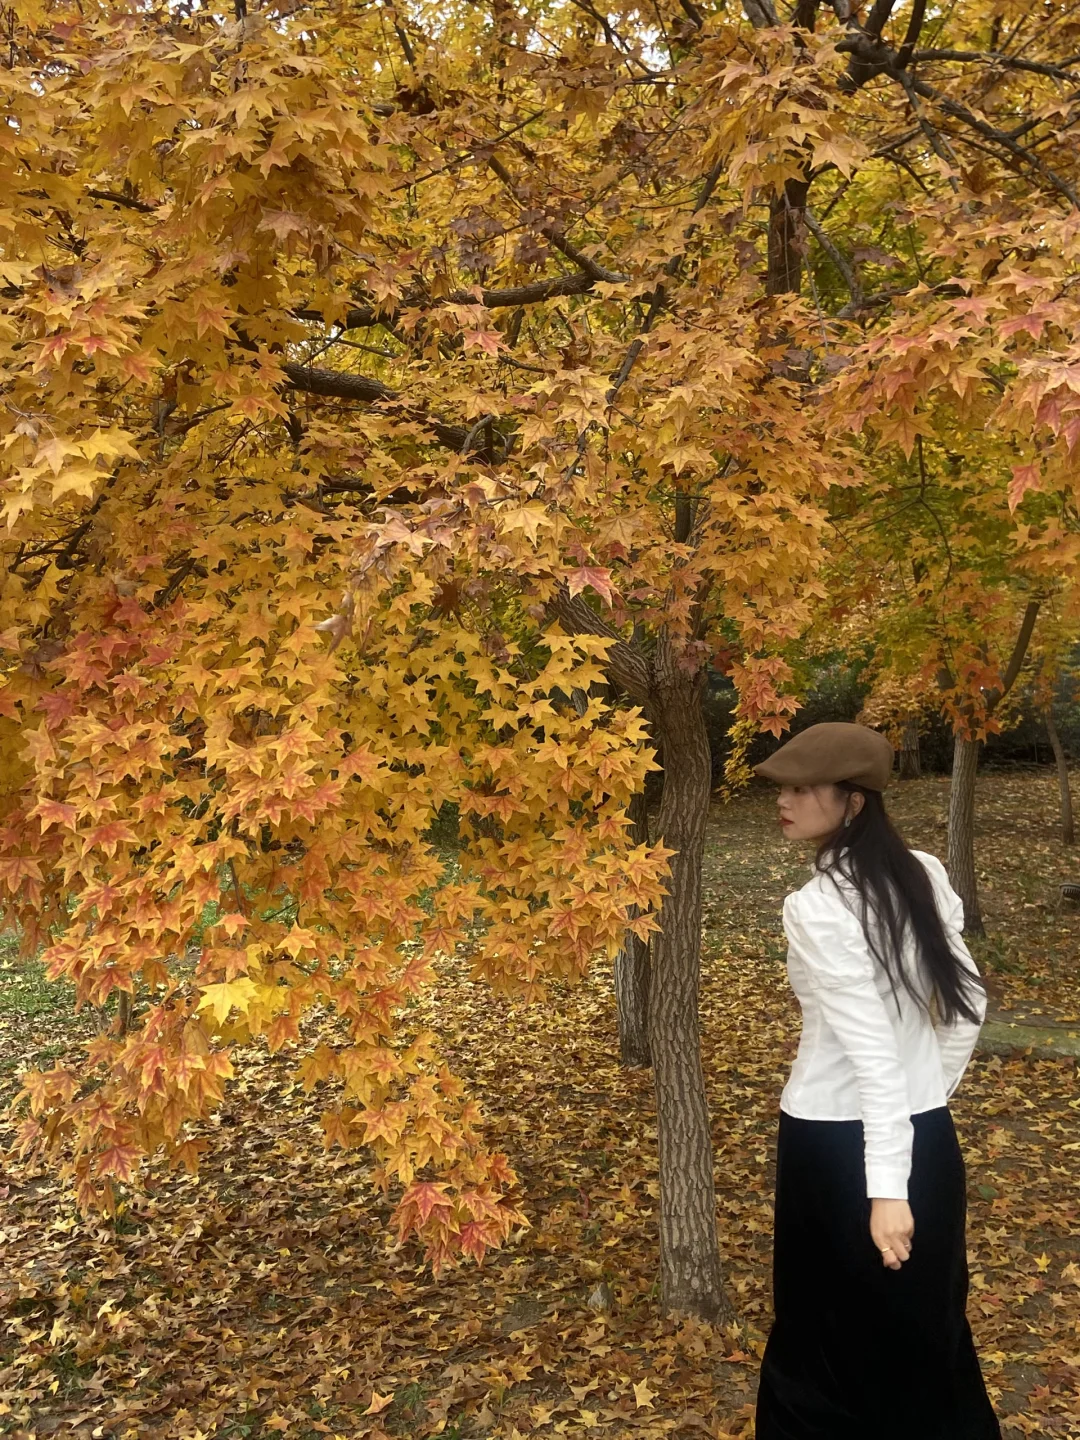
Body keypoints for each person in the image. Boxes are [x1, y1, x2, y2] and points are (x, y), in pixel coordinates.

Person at [752, 721, 1002, 1440]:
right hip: (920, 1135)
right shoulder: (920, 871)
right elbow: (966, 1010)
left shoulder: (817, 907)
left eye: (805, 788)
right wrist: (927, 1098)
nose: (785, 801)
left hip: (839, 1151)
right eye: (785, 787)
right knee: (924, 1335)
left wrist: (886, 1187)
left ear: (854, 801)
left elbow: (874, 1053)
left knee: (827, 1348)